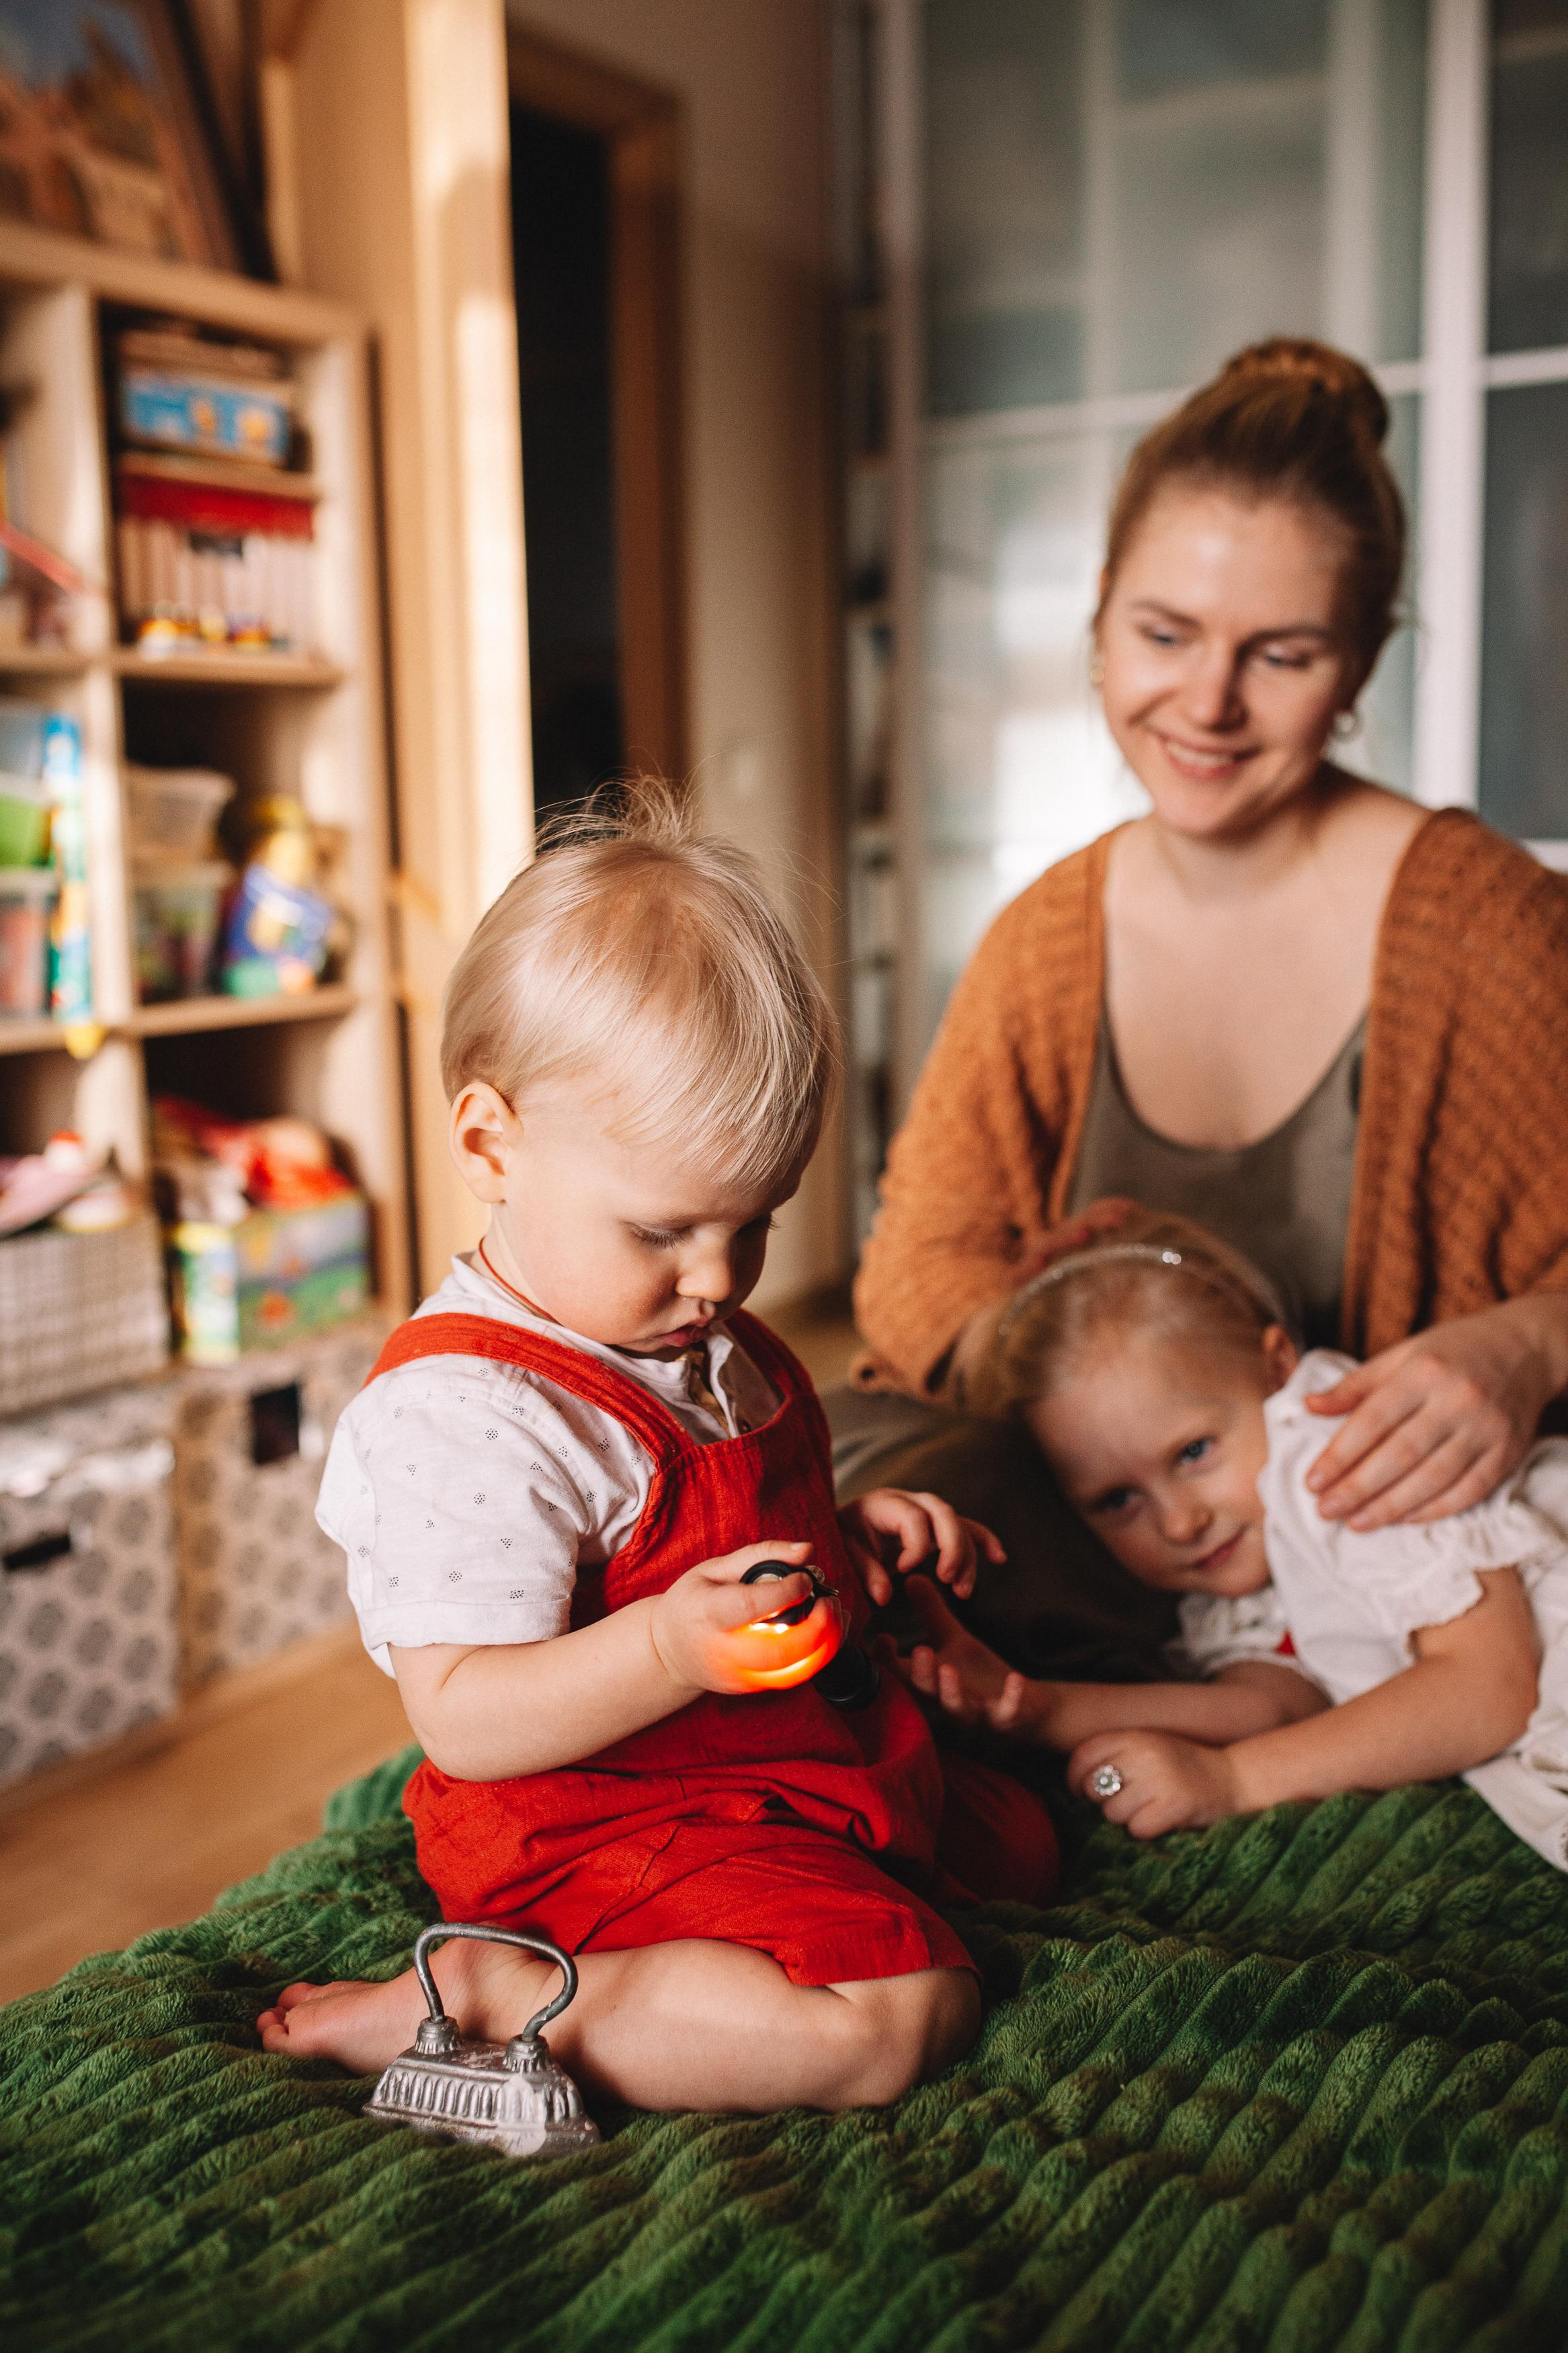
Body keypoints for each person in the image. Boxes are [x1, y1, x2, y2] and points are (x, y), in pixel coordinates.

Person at [257, 785, 1056, 2116]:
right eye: (662, 1231)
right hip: (598, 1826)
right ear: (487, 1140)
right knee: (895, 2013)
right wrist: (665, 1651)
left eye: (755, 1222)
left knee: (1019, 1843)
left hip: (772, 1765)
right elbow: (462, 1710)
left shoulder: (695, 1328)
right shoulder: (471, 1415)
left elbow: (706, 1526)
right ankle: (500, 1993)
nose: (718, 1276)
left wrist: (846, 1540)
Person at [847, 337, 1568, 1681]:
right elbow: (913, 1268)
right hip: (1112, 1551)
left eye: (1279, 654)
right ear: (1096, 614)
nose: (1204, 704)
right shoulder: (1044, 938)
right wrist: (1063, 1315)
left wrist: (1524, 1341)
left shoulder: (1490, 927)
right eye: (1161, 634)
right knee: (844, 1485)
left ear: (1356, 667)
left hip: (1395, 1559)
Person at [897, 1210, 1568, 1867]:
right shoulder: (1232, 1586)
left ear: (1278, 1369)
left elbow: (1486, 1689)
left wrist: (1235, 1780)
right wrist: (1038, 1705)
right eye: (1117, 1499)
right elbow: (1269, 1706)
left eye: (1191, 1452)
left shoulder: (1340, 1456)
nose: (1177, 1522)